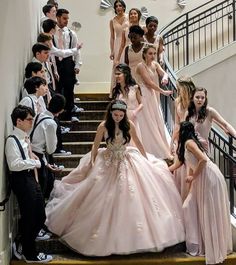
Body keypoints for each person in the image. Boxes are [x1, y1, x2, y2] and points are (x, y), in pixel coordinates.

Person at [45, 99, 185, 256]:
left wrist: (147, 160)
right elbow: (95, 145)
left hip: (126, 158)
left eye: (120, 115)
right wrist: (92, 160)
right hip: (108, 159)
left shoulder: (129, 125)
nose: (118, 117)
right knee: (100, 193)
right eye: (115, 114)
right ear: (110, 113)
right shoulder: (103, 126)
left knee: (135, 193)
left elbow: (138, 143)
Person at [169, 121, 232, 265]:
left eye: (177, 129)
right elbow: (182, 164)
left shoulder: (190, 143)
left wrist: (192, 177)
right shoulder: (185, 144)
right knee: (188, 206)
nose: (175, 132)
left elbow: (203, 160)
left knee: (208, 210)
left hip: (209, 177)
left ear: (183, 131)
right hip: (202, 177)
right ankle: (196, 244)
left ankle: (208, 245)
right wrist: (163, 170)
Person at [5, 105, 52, 263]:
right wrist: (34, 163)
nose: (32, 122)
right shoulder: (12, 140)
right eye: (29, 119)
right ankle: (29, 253)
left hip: (30, 179)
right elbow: (14, 164)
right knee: (30, 217)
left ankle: (22, 243)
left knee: (40, 216)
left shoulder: (25, 136)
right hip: (22, 180)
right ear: (19, 121)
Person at [135, 45, 172, 159]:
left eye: (154, 54)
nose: (152, 56)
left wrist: (165, 77)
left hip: (152, 95)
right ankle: (148, 149)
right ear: (145, 54)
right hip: (144, 94)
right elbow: (148, 82)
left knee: (155, 119)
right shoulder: (141, 66)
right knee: (147, 120)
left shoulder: (155, 64)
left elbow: (164, 73)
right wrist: (163, 92)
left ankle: (160, 146)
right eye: (150, 53)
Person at [53, 8, 83, 122]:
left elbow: (77, 50)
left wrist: (77, 65)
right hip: (56, 62)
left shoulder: (71, 33)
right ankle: (57, 116)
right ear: (58, 17)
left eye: (67, 19)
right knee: (57, 89)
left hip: (68, 62)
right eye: (64, 18)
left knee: (69, 89)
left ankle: (70, 114)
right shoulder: (52, 32)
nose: (66, 21)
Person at [170, 76, 196, 200]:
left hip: (191, 138)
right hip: (180, 138)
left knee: (189, 170)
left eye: (179, 87)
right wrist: (172, 141)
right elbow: (176, 122)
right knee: (180, 170)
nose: (177, 89)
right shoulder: (177, 101)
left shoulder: (194, 102)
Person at [112, 63, 143, 144]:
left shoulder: (135, 88)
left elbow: (141, 104)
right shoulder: (116, 91)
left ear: (125, 74)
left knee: (134, 141)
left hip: (133, 117)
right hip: (120, 118)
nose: (116, 76)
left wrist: (135, 112)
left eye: (119, 74)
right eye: (115, 74)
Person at [109, 0, 129, 97]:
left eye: (120, 5)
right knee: (117, 67)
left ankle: (127, 90)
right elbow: (112, 37)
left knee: (126, 67)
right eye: (116, 6)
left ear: (124, 7)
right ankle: (117, 92)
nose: (118, 8)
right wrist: (112, 51)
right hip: (117, 45)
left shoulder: (129, 17)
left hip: (127, 43)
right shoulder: (112, 21)